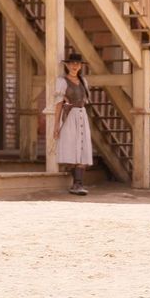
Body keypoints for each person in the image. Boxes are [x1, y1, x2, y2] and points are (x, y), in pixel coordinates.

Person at [54, 51, 94, 195]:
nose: (74, 66)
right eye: (72, 63)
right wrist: (56, 125)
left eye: (77, 64)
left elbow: (85, 100)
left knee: (82, 147)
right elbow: (58, 104)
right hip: (70, 116)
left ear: (81, 66)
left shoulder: (83, 81)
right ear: (67, 65)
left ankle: (79, 184)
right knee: (72, 146)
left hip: (82, 115)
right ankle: (75, 184)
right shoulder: (62, 81)